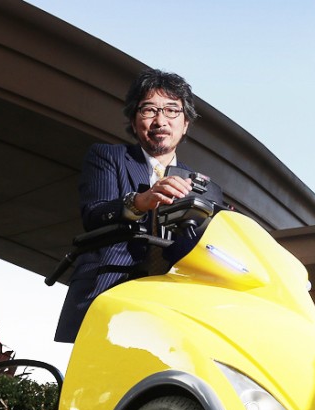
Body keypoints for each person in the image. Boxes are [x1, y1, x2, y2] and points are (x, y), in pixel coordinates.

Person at [54, 69, 224, 343]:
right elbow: (94, 214)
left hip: (171, 304)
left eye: (171, 111)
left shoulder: (203, 186)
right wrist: (140, 201)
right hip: (108, 290)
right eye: (149, 110)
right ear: (134, 121)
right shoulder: (108, 157)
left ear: (186, 124)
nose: (160, 121)